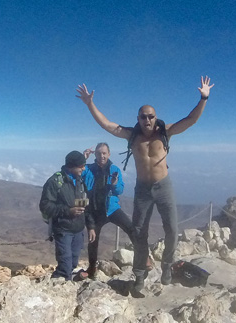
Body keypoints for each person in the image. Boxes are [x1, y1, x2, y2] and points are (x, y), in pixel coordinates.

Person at [76, 76, 214, 297]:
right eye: (143, 117)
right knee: (140, 232)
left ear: (155, 117)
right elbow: (108, 125)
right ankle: (140, 275)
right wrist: (90, 104)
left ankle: (167, 266)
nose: (147, 120)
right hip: (142, 189)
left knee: (172, 229)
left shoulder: (165, 132)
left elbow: (190, 120)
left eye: (151, 117)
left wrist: (203, 98)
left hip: (163, 185)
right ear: (138, 119)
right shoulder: (132, 136)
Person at [81, 142, 137, 279]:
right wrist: (83, 158)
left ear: (109, 154)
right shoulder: (88, 169)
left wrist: (114, 184)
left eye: (104, 153)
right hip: (94, 211)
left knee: (131, 228)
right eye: (99, 153)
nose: (102, 156)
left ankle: (143, 258)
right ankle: (92, 267)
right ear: (96, 154)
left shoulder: (114, 169)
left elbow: (120, 190)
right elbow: (74, 175)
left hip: (111, 209)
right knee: (93, 240)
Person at [39, 150, 96, 281]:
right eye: (81, 166)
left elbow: (86, 206)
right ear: (71, 166)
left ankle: (58, 282)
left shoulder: (80, 181)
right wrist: (68, 211)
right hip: (63, 230)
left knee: (73, 263)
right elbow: (45, 205)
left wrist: (91, 226)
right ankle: (59, 287)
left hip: (78, 230)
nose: (84, 168)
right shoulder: (55, 182)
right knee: (65, 266)